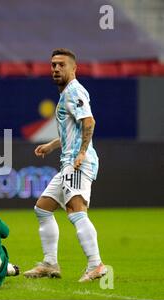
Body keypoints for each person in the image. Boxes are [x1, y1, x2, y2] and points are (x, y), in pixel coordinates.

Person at [23, 48, 107, 282]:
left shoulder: (74, 91)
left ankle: (96, 265)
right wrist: (51, 145)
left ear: (73, 68)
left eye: (61, 65)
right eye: (53, 65)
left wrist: (80, 154)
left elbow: (89, 122)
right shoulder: (66, 94)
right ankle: (50, 264)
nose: (56, 69)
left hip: (77, 163)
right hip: (68, 163)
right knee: (42, 208)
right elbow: (75, 130)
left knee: (76, 212)